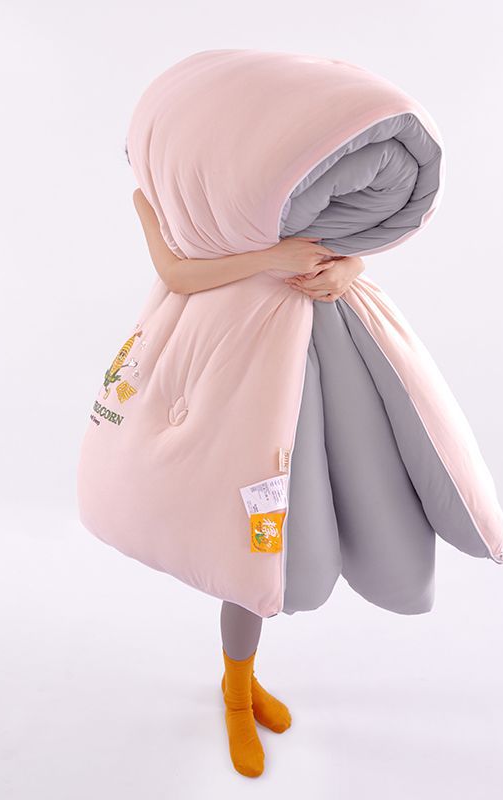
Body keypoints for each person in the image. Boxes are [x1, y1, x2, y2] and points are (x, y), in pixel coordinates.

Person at [133, 186, 366, 778]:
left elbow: (346, 241)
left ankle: (240, 679)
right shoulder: (159, 192)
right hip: (221, 380)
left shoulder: (271, 181)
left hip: (297, 372)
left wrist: (350, 268)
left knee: (275, 531)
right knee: (246, 538)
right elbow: (176, 275)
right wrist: (273, 259)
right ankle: (237, 695)